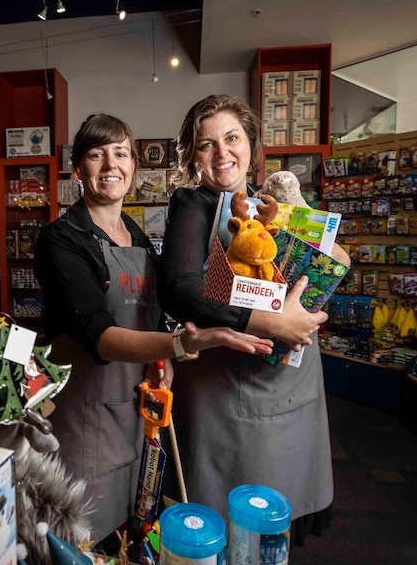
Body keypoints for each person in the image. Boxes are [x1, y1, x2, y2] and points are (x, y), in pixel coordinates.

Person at [33, 113, 274, 545]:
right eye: (96, 155)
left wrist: (162, 357)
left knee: (131, 531)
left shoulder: (138, 238)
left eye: (121, 154)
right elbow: (100, 335)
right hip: (82, 417)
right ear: (78, 170)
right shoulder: (60, 240)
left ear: (133, 168)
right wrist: (184, 343)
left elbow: (153, 314)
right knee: (79, 539)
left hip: (134, 414)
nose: (111, 165)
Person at [157, 94, 352, 545]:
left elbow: (334, 263)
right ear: (193, 156)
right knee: (233, 516)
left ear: (251, 145)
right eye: (206, 145)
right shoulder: (194, 204)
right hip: (230, 385)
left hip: (292, 376)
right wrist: (269, 323)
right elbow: (180, 290)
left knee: (276, 517)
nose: (222, 153)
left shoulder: (274, 202)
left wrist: (311, 231)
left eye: (232, 138)